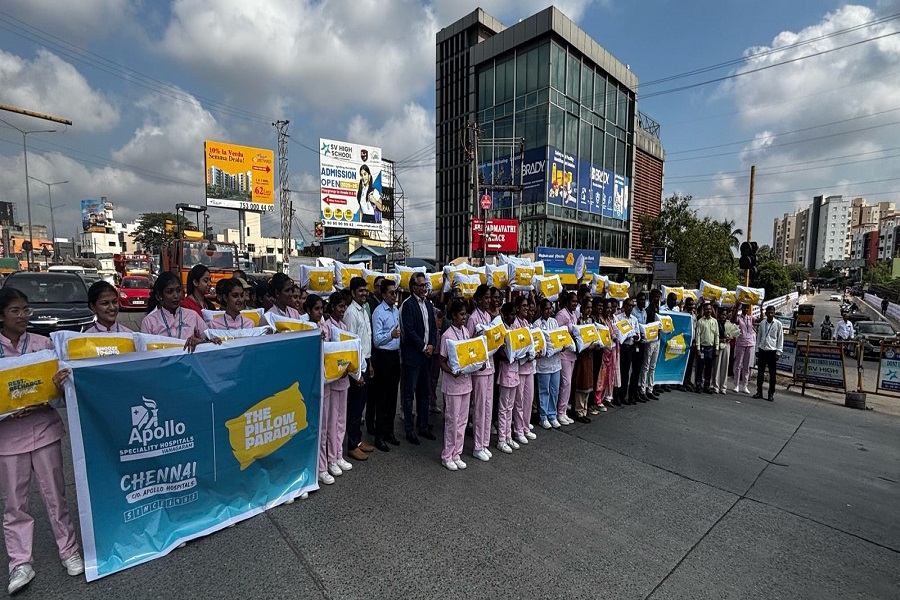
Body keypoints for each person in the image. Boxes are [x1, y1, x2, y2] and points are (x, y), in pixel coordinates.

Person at [0, 288, 83, 594]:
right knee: (15, 503)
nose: (23, 316)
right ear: (1, 316)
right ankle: (20, 562)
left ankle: (69, 550)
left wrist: (56, 389)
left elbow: (61, 394)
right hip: (8, 438)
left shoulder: (43, 345)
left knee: (55, 495)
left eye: (26, 310)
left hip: (45, 429)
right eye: (15, 311)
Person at [319, 294, 355, 484]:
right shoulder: (326, 326)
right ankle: (329, 460)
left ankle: (338, 454)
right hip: (331, 382)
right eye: (340, 306)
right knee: (330, 422)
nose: (342, 310)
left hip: (344, 379)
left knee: (341, 420)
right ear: (332, 307)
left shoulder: (344, 327)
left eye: (344, 307)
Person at [399, 272, 438, 445]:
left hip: (427, 356)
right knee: (409, 394)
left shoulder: (429, 304)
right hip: (414, 357)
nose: (424, 288)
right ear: (413, 287)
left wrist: (432, 345)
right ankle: (409, 429)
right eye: (421, 285)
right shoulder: (408, 305)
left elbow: (434, 328)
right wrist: (423, 347)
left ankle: (423, 425)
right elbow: (409, 331)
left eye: (425, 285)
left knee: (424, 392)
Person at [343, 277, 375, 461]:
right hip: (357, 368)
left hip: (366, 363)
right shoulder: (351, 313)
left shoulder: (364, 309)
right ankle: (352, 445)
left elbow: (365, 341)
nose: (364, 293)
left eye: (365, 290)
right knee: (355, 407)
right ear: (353, 292)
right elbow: (351, 344)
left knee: (360, 405)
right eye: (360, 291)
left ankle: (358, 440)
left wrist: (370, 364)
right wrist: (357, 373)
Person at [439, 300, 473, 470]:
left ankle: (457, 453)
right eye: (461, 314)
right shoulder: (447, 335)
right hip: (453, 385)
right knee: (452, 420)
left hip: (466, 383)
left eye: (465, 314)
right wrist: (451, 371)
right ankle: (447, 455)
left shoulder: (466, 332)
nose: (464, 317)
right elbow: (441, 361)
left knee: (463, 421)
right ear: (453, 316)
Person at [140, 271, 209, 352]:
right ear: (159, 296)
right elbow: (144, 352)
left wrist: (200, 341)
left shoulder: (192, 315)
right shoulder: (149, 321)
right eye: (170, 292)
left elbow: (211, 340)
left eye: (179, 290)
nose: (176, 296)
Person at [466, 284, 496, 461]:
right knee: (479, 407)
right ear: (478, 299)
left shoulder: (488, 316)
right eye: (485, 298)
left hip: (490, 365)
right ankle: (477, 445)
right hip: (479, 369)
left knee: (488, 406)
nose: (488, 301)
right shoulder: (473, 318)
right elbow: (469, 344)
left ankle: (485, 442)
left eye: (489, 298)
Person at [371, 278, 402, 452]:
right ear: (383, 294)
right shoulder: (378, 312)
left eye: (395, 292)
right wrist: (390, 335)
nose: (394, 296)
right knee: (381, 398)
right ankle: (379, 435)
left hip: (394, 356)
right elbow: (376, 340)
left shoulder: (395, 310)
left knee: (392, 397)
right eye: (391, 293)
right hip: (382, 356)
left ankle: (390, 432)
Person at [495, 302, 520, 453]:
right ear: (504, 315)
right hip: (505, 372)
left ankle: (508, 436)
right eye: (511, 314)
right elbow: (500, 352)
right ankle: (501, 439)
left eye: (515, 314)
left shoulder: (514, 329)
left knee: (510, 407)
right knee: (503, 408)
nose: (514, 317)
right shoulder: (502, 330)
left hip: (515, 370)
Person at [512, 296, 538, 443]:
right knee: (519, 400)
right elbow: (517, 348)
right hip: (520, 367)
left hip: (530, 367)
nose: (526, 309)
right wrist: (526, 354)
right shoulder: (515, 325)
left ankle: (526, 426)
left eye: (527, 306)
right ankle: (518, 430)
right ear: (517, 308)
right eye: (524, 306)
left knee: (528, 399)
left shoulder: (527, 323)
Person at [534, 299, 562, 429]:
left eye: (550, 308)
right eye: (546, 309)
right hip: (543, 364)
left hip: (555, 362)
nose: (549, 311)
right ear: (540, 309)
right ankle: (543, 416)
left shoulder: (554, 322)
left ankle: (552, 414)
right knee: (544, 390)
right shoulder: (536, 325)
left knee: (554, 389)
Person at [554, 292, 578, 424]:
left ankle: (563, 411)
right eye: (573, 301)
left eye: (576, 302)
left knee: (568, 384)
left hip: (572, 353)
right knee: (565, 383)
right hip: (563, 354)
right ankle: (560, 412)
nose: (575, 304)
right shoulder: (561, 315)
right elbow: (557, 334)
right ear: (568, 302)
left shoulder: (574, 314)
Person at [571, 297, 595, 423]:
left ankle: (585, 409)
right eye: (587, 308)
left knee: (589, 381)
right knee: (582, 381)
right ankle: (578, 410)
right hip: (582, 356)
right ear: (583, 309)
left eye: (591, 308)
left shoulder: (591, 321)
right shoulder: (579, 322)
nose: (589, 310)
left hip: (590, 354)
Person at [753, 305, 783, 402]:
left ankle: (771, 393)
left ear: (774, 313)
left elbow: (780, 339)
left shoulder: (778, 324)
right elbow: (759, 337)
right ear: (766, 313)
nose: (770, 314)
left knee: (772, 374)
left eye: (772, 313)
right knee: (760, 373)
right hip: (762, 350)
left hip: (772, 351)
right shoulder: (762, 323)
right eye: (768, 313)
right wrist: (757, 349)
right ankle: (759, 391)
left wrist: (778, 352)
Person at [615, 297, 641, 405]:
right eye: (628, 305)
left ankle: (623, 395)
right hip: (621, 347)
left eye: (632, 306)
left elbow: (638, 334)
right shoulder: (618, 318)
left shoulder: (634, 320)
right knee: (619, 372)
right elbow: (617, 332)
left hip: (630, 348)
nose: (630, 308)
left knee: (626, 373)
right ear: (624, 306)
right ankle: (616, 396)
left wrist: (636, 337)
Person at [597, 298, 621, 407]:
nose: (609, 310)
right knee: (601, 376)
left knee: (608, 376)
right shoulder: (600, 320)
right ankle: (597, 399)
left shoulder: (609, 320)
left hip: (610, 351)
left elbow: (612, 334)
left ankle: (605, 397)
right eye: (607, 307)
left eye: (610, 308)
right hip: (602, 352)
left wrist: (616, 337)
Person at [638, 288, 661, 400]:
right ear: (651, 297)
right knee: (646, 366)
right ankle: (642, 390)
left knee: (653, 366)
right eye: (655, 297)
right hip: (649, 341)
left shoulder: (658, 308)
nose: (657, 299)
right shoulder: (648, 310)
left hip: (657, 339)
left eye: (658, 297)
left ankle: (650, 388)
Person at [693, 302, 719, 394]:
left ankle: (707, 385)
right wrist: (698, 349)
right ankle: (698, 385)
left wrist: (716, 348)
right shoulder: (700, 321)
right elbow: (698, 336)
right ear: (704, 310)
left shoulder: (714, 321)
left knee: (709, 368)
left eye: (709, 309)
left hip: (711, 348)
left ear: (712, 310)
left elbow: (717, 335)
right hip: (703, 348)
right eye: (706, 309)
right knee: (700, 367)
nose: (708, 311)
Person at [732, 304, 756, 394]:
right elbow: (733, 320)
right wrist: (736, 308)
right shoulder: (739, 318)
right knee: (738, 365)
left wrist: (761, 308)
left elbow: (760, 320)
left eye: (747, 308)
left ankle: (745, 385)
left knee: (746, 365)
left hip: (750, 343)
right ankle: (736, 384)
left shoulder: (750, 318)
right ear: (742, 309)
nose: (746, 309)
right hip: (740, 343)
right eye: (744, 308)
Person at [712, 306, 733, 394]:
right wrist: (721, 340)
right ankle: (715, 386)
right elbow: (713, 336)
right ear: (719, 315)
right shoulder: (716, 323)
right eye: (722, 315)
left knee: (725, 365)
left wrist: (730, 337)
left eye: (725, 315)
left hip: (727, 345)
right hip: (718, 345)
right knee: (717, 366)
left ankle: (723, 387)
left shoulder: (728, 323)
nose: (724, 316)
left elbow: (733, 334)